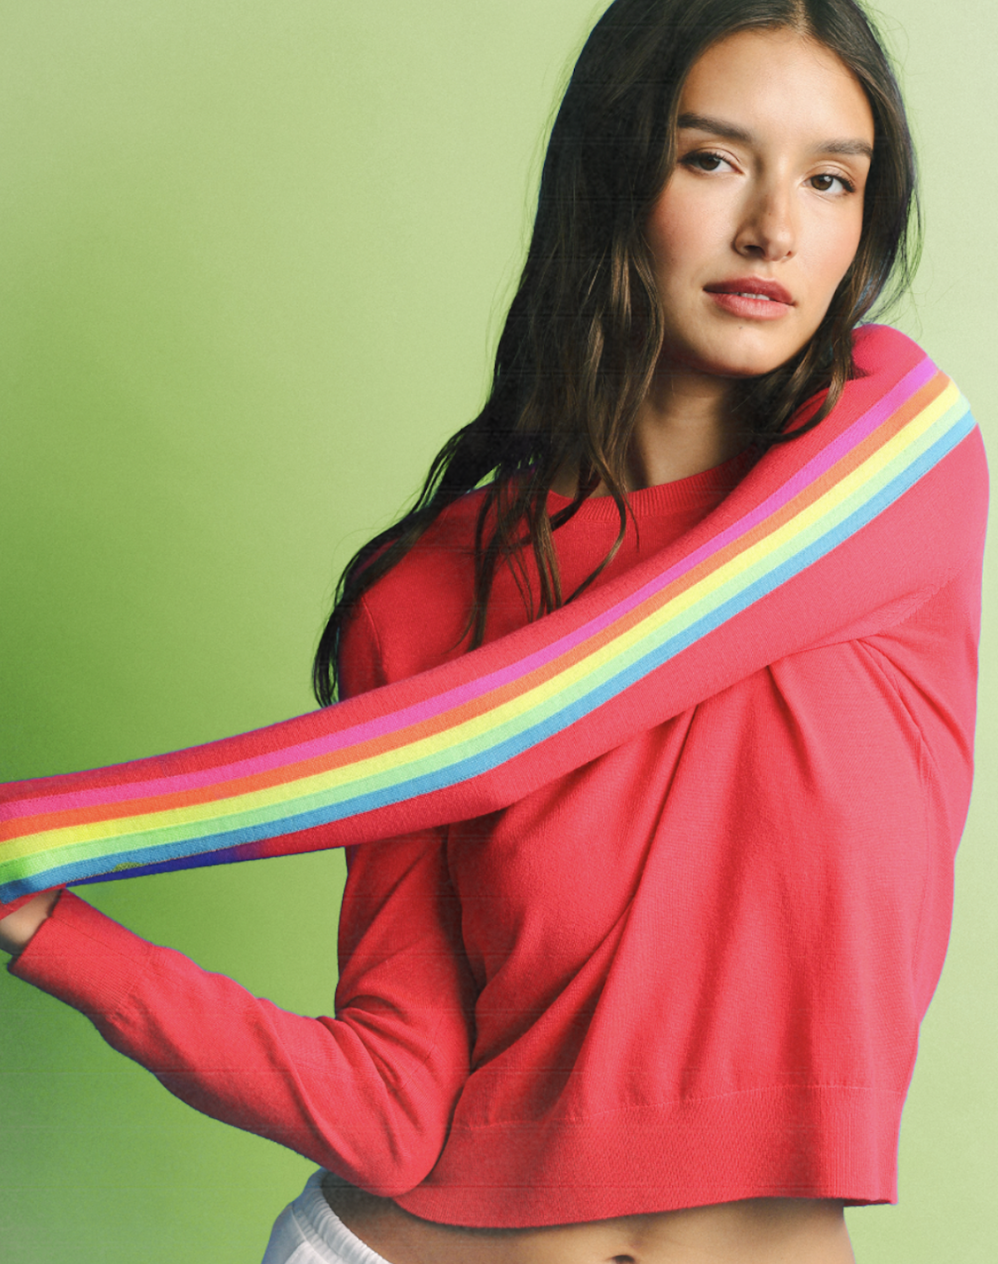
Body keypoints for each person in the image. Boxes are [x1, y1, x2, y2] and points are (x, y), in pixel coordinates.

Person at [0, 0, 987, 1262]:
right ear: (614, 173)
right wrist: (49, 930)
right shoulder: (425, 592)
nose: (772, 229)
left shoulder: (900, 454)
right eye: (710, 159)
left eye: (829, 179)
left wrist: (40, 826)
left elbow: (515, 723)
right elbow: (390, 1108)